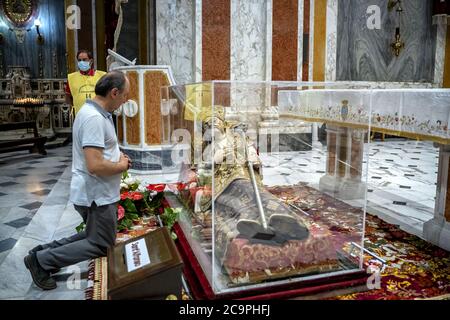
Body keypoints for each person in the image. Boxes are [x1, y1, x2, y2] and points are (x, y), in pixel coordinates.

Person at [24, 71, 131, 290]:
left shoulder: (98, 112)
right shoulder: (93, 118)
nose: (126, 100)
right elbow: (95, 164)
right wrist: (121, 165)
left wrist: (118, 156)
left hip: (97, 191)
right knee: (101, 244)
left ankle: (40, 253)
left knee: (92, 235)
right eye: (125, 95)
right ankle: (43, 262)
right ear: (114, 92)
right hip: (96, 193)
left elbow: (102, 152)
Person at [66, 50, 107, 116]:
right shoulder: (71, 77)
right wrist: (75, 106)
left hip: (99, 114)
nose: (82, 62)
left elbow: (107, 95)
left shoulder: (102, 75)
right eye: (79, 60)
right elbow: (68, 95)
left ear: (91, 61)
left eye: (84, 60)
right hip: (80, 115)